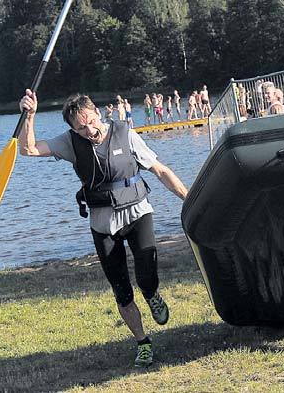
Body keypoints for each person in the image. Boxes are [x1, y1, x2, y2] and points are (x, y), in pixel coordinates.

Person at [17, 90, 189, 367]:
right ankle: (143, 342)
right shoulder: (71, 143)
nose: (89, 130)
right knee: (121, 289)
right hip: (102, 222)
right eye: (81, 127)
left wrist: (189, 198)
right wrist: (30, 115)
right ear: (73, 128)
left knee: (146, 275)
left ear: (98, 113)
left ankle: (152, 294)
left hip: (137, 212)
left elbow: (160, 170)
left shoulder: (125, 133)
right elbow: (28, 149)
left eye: (91, 122)